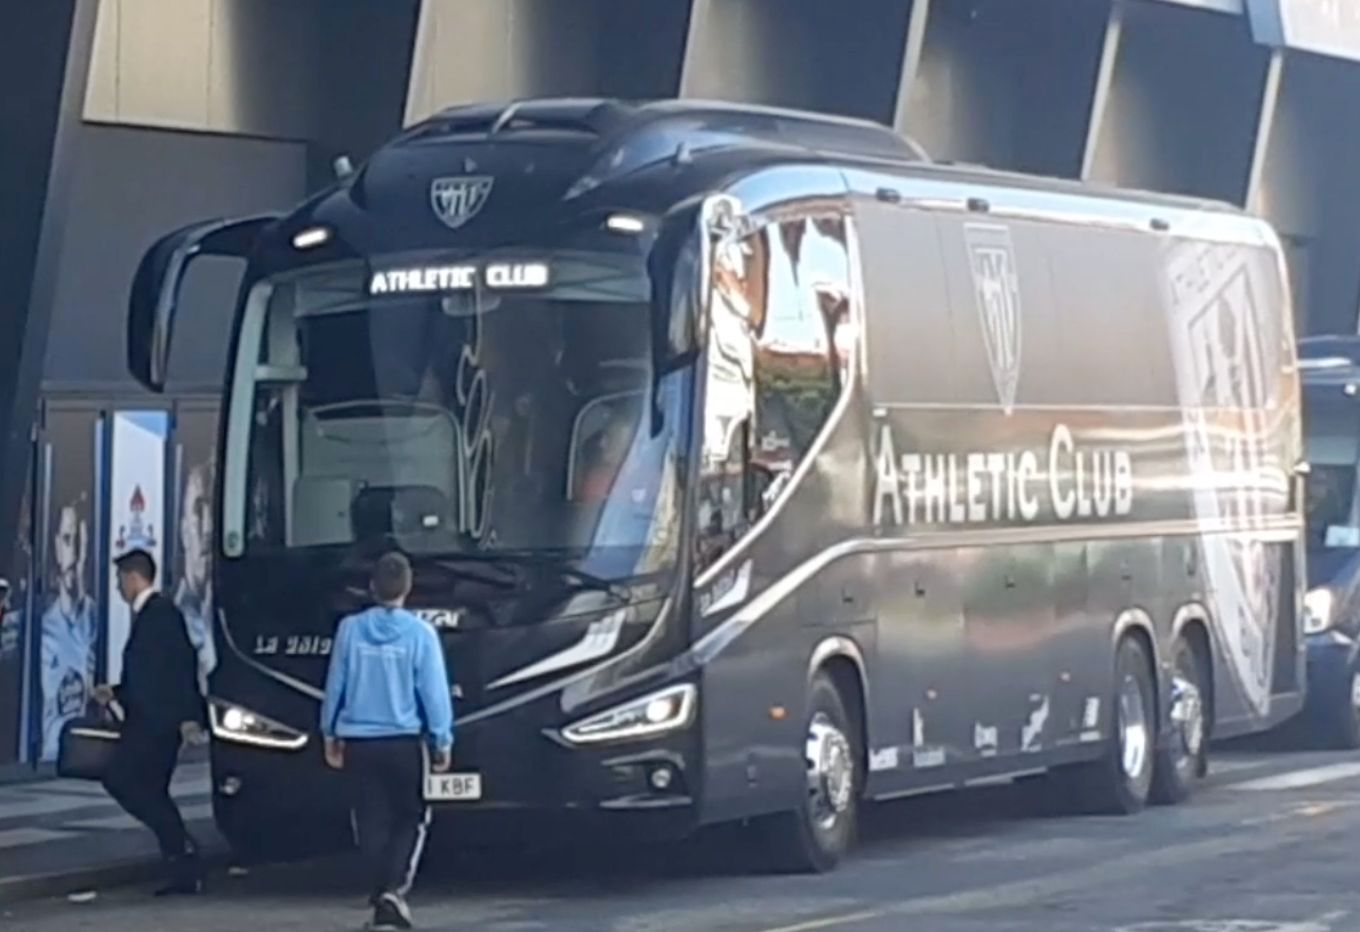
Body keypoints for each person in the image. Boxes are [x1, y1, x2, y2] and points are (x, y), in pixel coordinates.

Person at [321, 551, 453, 932]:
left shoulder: (349, 630)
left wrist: (329, 732)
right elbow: (434, 693)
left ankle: (381, 895)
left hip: (359, 742)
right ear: (407, 588)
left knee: (370, 820)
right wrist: (441, 739)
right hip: (404, 742)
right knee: (410, 817)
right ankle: (393, 891)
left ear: (372, 587)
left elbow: (336, 684)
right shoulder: (421, 634)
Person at [92, 548, 207, 896]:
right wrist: (115, 692)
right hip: (150, 721)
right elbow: (152, 673)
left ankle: (182, 849)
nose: (117, 588)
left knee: (125, 780)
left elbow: (179, 668)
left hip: (155, 725)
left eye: (119, 579)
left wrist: (188, 717)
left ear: (133, 577)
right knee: (150, 790)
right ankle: (181, 861)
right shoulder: (154, 615)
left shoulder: (160, 614)